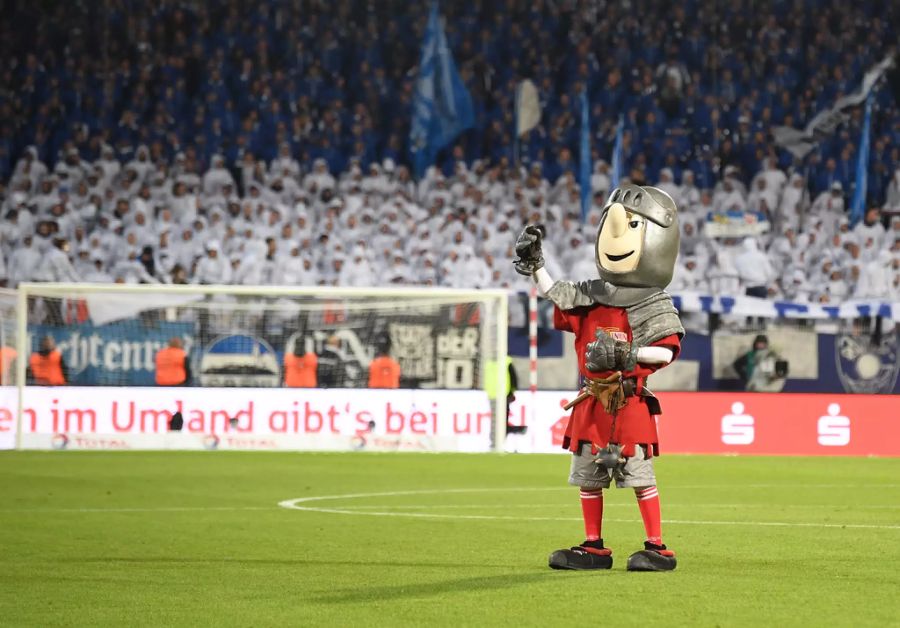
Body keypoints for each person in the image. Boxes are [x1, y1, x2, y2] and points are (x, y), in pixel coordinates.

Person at [515, 183, 683, 572]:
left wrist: (628, 354)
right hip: (592, 401)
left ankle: (656, 546)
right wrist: (536, 264)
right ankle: (594, 546)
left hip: (629, 402)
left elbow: (667, 350)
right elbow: (556, 295)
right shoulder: (590, 296)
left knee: (640, 476)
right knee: (589, 477)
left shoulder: (653, 303)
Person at [483, 356, 526, 434]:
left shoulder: (488, 362)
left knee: (497, 420)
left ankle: (509, 431)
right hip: (503, 395)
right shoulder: (507, 362)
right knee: (502, 420)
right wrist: (512, 391)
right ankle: (512, 430)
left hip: (493, 395)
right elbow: (513, 378)